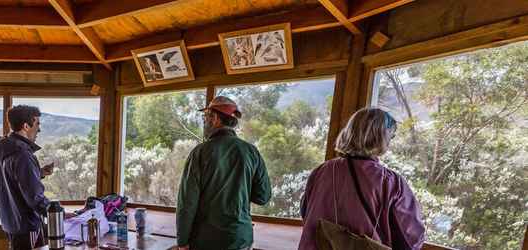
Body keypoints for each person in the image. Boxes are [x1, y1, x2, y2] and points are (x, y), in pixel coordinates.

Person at [299, 108, 426, 249]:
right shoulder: (391, 182)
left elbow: (306, 211)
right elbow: (411, 237)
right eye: (391, 135)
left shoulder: (320, 171)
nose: (391, 140)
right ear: (381, 137)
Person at [176, 96, 272, 250]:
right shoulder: (251, 152)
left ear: (215, 119)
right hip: (240, 239)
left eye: (205, 117)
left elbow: (187, 203)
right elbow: (263, 197)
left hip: (206, 240)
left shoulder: (199, 153)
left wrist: (182, 242)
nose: (204, 122)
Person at [0, 105, 54, 250]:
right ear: (26, 126)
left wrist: (39, 173)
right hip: (27, 225)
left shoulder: (6, 147)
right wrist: (57, 212)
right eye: (37, 124)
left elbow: (14, 178)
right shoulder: (23, 154)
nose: (39, 129)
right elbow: (34, 197)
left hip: (12, 223)